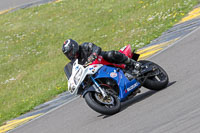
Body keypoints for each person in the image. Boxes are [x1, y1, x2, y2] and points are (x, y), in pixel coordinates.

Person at [62, 39, 141, 70]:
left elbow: (97, 48)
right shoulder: (75, 62)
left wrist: (93, 55)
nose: (70, 55)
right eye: (67, 54)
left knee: (110, 54)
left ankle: (132, 63)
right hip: (93, 70)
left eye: (70, 52)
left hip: (101, 60)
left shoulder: (85, 46)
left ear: (74, 47)